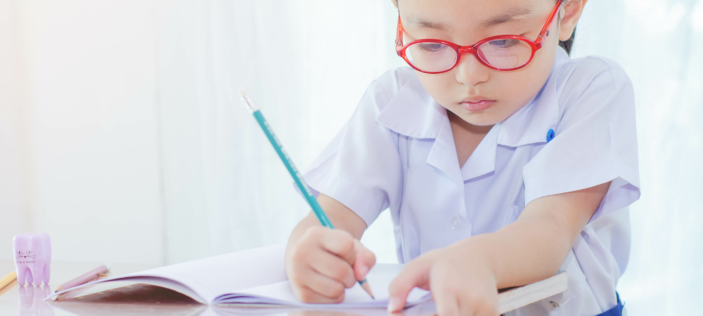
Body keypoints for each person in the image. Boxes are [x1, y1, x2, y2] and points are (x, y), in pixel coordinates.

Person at [284, 0, 639, 315]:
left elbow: (550, 229)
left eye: (503, 41)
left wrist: (479, 262)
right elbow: (329, 218)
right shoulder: (390, 100)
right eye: (433, 44)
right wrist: (309, 254)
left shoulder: (590, 89)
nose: (469, 76)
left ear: (568, 10)